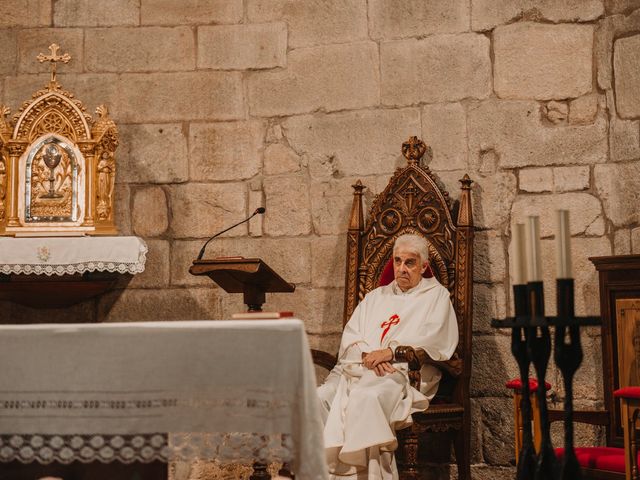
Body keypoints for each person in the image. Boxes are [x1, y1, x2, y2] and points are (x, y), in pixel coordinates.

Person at [317, 234, 458, 480]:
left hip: (404, 372)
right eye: (397, 261)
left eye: (410, 262)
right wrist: (369, 356)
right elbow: (351, 337)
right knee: (319, 398)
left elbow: (437, 340)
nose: (401, 268)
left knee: (367, 396)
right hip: (361, 367)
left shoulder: (437, 297)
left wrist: (390, 353)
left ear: (424, 266)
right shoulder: (375, 297)